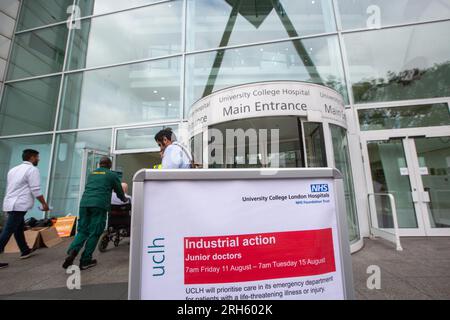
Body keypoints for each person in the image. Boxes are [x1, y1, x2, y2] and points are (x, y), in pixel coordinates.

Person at [62, 157, 128, 270]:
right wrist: (124, 200)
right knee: (95, 232)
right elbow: (119, 192)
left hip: (84, 203)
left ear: (99, 164)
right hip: (99, 205)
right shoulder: (112, 175)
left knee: (83, 230)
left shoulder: (92, 174)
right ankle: (85, 261)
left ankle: (73, 251)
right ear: (110, 165)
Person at [0, 149, 50, 269]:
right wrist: (44, 204)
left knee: (18, 227)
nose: (39, 159)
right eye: (37, 157)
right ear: (32, 158)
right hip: (19, 205)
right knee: (8, 230)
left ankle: (25, 250)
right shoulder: (32, 169)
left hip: (9, 203)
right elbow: (35, 189)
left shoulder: (13, 170)